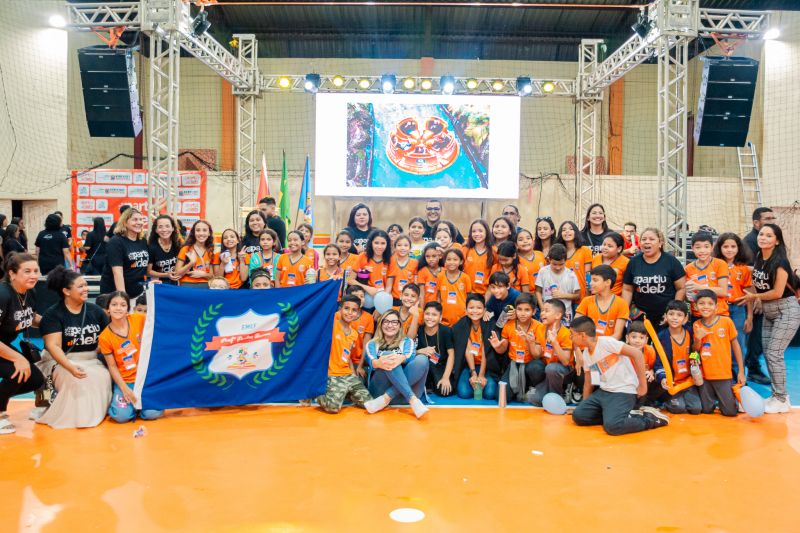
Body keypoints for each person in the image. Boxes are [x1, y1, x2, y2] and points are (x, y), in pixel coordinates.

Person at [736, 223, 800, 413]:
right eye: (761, 234)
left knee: (774, 353)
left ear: (777, 241)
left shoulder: (780, 262)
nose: (763, 238)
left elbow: (777, 292)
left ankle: (781, 398)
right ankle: (776, 395)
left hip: (785, 310)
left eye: (769, 235)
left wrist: (754, 297)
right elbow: (756, 274)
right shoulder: (759, 257)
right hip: (768, 311)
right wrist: (736, 268)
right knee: (769, 353)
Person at [37, 267, 111, 429]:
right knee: (78, 380)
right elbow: (53, 346)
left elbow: (108, 338)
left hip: (92, 359)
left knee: (103, 377)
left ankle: (96, 415)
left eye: (86, 285)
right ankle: (79, 418)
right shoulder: (53, 314)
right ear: (66, 291)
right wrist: (70, 367)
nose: (86, 289)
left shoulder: (96, 311)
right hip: (61, 361)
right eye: (80, 286)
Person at [570, 316, 669, 436]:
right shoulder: (586, 354)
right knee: (579, 416)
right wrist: (585, 406)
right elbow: (589, 383)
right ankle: (621, 415)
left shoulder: (606, 342)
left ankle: (649, 419)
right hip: (604, 392)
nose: (571, 338)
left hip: (623, 391)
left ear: (582, 335)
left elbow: (637, 354)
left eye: (572, 334)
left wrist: (642, 386)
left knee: (613, 427)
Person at [99, 291, 163, 423]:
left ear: (128, 309)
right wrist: (124, 389)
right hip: (126, 381)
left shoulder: (138, 319)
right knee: (120, 417)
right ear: (108, 309)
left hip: (145, 379)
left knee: (153, 413)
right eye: (114, 304)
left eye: (123, 305)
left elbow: (157, 318)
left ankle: (140, 408)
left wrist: (156, 290)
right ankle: (129, 405)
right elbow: (112, 366)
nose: (118, 308)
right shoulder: (105, 337)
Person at [0, 254, 44, 435]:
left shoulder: (29, 292)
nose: (33, 275)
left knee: (35, 379)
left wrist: (54, 323)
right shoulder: (3, 294)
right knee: (18, 371)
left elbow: (30, 317)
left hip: (3, 344)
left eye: (35, 271)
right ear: (12, 274)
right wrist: (18, 358)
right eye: (27, 271)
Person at [364, 310, 429, 418]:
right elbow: (371, 361)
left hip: (402, 396)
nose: (390, 325)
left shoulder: (407, 341)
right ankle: (412, 399)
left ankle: (387, 397)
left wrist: (402, 358)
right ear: (381, 324)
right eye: (386, 321)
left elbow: (410, 355)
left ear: (399, 325)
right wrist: (379, 362)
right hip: (379, 392)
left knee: (422, 359)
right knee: (388, 355)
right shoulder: (372, 343)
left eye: (394, 322)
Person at [316, 295, 373, 414]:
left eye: (354, 310)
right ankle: (316, 394)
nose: (350, 313)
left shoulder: (354, 334)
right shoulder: (331, 325)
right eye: (346, 308)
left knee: (369, 404)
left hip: (347, 374)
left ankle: (344, 392)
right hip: (332, 374)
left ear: (358, 313)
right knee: (333, 408)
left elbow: (347, 356)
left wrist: (353, 374)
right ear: (340, 309)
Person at [692, 289, 744, 416]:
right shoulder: (696, 325)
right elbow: (695, 350)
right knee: (706, 410)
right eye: (702, 303)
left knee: (730, 412)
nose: (706, 307)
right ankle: (716, 398)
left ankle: (733, 397)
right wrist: (698, 338)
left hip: (723, 374)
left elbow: (736, 346)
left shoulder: (726, 322)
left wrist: (741, 371)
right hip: (705, 376)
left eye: (710, 304)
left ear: (716, 306)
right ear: (695, 306)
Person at [622, 227, 686, 328]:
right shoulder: (633, 262)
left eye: (651, 239)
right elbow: (627, 289)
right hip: (640, 316)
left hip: (665, 316)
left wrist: (673, 312)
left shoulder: (671, 262)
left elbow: (681, 288)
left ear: (660, 243)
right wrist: (624, 313)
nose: (647, 242)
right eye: (644, 239)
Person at [742, 207, 777, 386]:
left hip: (767, 296)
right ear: (756, 223)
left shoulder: (769, 241)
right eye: (767, 218)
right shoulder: (750, 242)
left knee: (759, 335)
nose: (771, 221)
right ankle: (752, 369)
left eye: (773, 218)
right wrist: (757, 298)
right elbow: (749, 274)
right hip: (754, 298)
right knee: (754, 334)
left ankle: (751, 367)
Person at [489, 293, 543, 401]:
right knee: (501, 397)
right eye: (519, 309)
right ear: (515, 310)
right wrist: (497, 347)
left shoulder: (539, 327)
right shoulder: (509, 325)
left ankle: (533, 387)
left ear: (534, 311)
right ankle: (519, 388)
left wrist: (530, 343)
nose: (522, 313)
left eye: (527, 310)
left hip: (531, 364)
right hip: (514, 364)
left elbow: (537, 356)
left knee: (536, 368)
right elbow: (502, 350)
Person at [713, 232, 753, 373]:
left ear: (738, 248)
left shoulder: (743, 268)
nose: (729, 250)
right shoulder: (714, 266)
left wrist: (749, 317)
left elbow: (748, 294)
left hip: (738, 309)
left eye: (733, 246)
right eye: (725, 246)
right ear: (719, 248)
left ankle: (739, 375)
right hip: (718, 308)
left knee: (738, 342)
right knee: (718, 341)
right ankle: (722, 375)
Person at [654, 300, 700, 414]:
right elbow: (658, 363)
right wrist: (663, 378)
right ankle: (664, 400)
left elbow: (695, 351)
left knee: (696, 409)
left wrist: (695, 358)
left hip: (688, 381)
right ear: (665, 316)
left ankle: (685, 396)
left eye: (679, 315)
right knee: (678, 408)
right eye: (671, 314)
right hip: (672, 382)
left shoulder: (690, 332)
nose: (674, 318)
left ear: (685, 319)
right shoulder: (661, 337)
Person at [527, 300, 577, 406]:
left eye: (546, 311)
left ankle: (559, 394)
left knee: (552, 368)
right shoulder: (540, 328)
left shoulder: (566, 333)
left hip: (564, 371)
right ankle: (544, 389)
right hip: (547, 369)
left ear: (558, 315)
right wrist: (530, 343)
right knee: (534, 367)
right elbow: (536, 355)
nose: (542, 313)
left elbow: (565, 361)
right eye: (542, 310)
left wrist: (554, 343)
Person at [453, 294, 502, 400]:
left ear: (485, 310)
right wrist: (473, 373)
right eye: (471, 308)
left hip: (487, 366)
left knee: (489, 394)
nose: (475, 311)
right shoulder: (461, 325)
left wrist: (481, 375)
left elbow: (486, 350)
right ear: (466, 310)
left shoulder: (490, 324)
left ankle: (482, 381)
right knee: (464, 393)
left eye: (479, 308)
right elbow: (467, 350)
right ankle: (472, 380)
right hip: (469, 365)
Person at [100, 208, 149, 298]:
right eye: (135, 219)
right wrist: (122, 297)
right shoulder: (116, 242)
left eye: (141, 219)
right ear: (125, 222)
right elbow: (117, 272)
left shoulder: (142, 241)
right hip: (115, 295)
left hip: (137, 293)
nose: (139, 222)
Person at [575, 265, 629, 340]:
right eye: (590, 280)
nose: (590, 283)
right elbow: (576, 326)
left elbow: (617, 335)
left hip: (610, 345)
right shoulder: (586, 301)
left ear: (608, 282)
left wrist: (599, 344)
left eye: (595, 280)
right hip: (588, 344)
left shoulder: (621, 303)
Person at [684, 232, 730, 320]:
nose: (702, 250)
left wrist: (700, 287)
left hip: (718, 314)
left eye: (706, 247)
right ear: (692, 248)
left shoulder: (720, 264)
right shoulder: (688, 269)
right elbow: (687, 294)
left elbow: (723, 291)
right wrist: (688, 296)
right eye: (698, 247)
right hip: (697, 315)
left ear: (712, 247)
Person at [416, 301, 455, 396]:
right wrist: (421, 351)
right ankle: (428, 384)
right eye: (427, 314)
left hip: (441, 365)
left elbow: (451, 354)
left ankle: (431, 384)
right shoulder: (419, 330)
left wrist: (446, 377)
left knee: (445, 391)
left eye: (434, 315)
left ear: (440, 318)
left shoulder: (446, 330)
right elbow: (410, 352)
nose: (430, 317)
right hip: (425, 366)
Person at [535, 244, 580, 324]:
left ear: (566, 260)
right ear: (549, 260)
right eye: (554, 264)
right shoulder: (543, 271)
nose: (558, 267)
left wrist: (563, 295)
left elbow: (577, 295)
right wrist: (542, 307)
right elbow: (538, 291)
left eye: (561, 264)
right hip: (546, 313)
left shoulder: (571, 275)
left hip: (565, 314)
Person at [624, 321, 660, 405]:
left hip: (643, 382)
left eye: (641, 338)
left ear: (646, 340)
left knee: (654, 377)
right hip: (627, 383)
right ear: (627, 338)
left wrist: (651, 372)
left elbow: (654, 367)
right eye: (634, 337)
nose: (637, 341)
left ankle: (646, 401)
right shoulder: (623, 352)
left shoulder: (650, 351)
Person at [556, 220, 593, 300]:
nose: (567, 231)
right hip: (563, 297)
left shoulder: (585, 250)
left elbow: (588, 274)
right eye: (564, 230)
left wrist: (588, 294)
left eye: (570, 229)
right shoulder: (558, 252)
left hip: (582, 296)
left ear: (576, 232)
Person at [175, 220, 217, 288]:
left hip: (206, 285)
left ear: (209, 233)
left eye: (204, 230)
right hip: (187, 285)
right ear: (194, 233)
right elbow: (176, 274)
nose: (201, 233)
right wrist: (191, 263)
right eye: (198, 230)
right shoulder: (186, 249)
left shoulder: (210, 252)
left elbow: (212, 276)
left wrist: (203, 274)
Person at [344, 285, 374, 379]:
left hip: (359, 362)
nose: (359, 299)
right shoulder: (342, 316)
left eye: (362, 296)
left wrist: (360, 366)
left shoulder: (368, 317)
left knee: (359, 382)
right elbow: (343, 344)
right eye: (356, 296)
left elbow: (366, 344)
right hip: (343, 360)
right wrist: (351, 368)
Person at [437, 248, 472, 326]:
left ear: (461, 261)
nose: (451, 262)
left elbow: (469, 298)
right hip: (444, 319)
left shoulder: (465, 278)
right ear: (445, 261)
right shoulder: (440, 276)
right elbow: (438, 297)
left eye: (455, 259)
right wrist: (438, 313)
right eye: (448, 259)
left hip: (462, 318)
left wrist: (468, 313)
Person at [350, 230, 391, 296]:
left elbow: (390, 284)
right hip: (366, 295)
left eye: (383, 243)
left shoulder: (390, 259)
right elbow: (350, 280)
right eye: (376, 243)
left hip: (384, 295)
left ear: (387, 244)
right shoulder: (363, 256)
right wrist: (367, 288)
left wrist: (385, 295)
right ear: (371, 243)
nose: (379, 247)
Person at [461, 219, 495, 296]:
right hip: (466, 292)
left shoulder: (494, 251)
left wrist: (487, 296)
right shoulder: (465, 249)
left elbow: (494, 276)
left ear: (486, 232)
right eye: (474, 231)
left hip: (484, 294)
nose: (477, 234)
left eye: (480, 231)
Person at [590, 232, 629, 296]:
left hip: (615, 299)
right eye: (604, 244)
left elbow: (628, 287)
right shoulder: (595, 258)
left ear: (619, 249)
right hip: (596, 298)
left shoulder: (626, 262)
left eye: (610, 246)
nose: (605, 247)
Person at [147, 214, 181, 285]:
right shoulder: (151, 247)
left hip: (176, 283)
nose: (164, 230)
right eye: (160, 227)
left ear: (173, 228)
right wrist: (166, 275)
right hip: (158, 284)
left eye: (167, 226)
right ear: (156, 230)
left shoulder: (178, 244)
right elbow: (148, 272)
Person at [387, 235, 418, 305]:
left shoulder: (415, 263)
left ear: (410, 248)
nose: (402, 248)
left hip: (409, 300)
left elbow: (416, 285)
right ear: (395, 247)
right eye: (399, 245)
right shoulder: (391, 262)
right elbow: (389, 286)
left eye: (406, 245)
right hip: (394, 299)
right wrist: (385, 300)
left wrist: (415, 303)